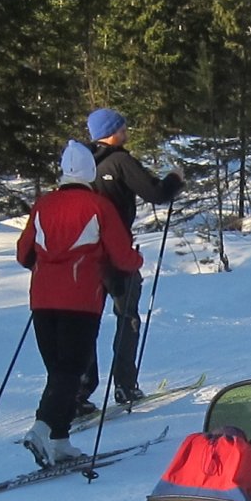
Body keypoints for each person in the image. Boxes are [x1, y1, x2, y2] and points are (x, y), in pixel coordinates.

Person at [15, 141, 143, 466]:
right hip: (80, 300)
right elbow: (123, 256)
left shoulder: (43, 205)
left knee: (58, 370)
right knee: (71, 370)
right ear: (89, 172)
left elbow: (23, 254)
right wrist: (137, 258)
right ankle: (41, 428)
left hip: (42, 300)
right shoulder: (98, 206)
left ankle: (59, 441)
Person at [84, 108, 185, 409]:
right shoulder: (121, 160)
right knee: (126, 316)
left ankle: (79, 392)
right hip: (117, 254)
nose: (127, 131)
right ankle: (125, 385)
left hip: (86, 256)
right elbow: (155, 193)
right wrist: (174, 180)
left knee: (87, 323)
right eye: (123, 126)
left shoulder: (82, 164)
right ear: (114, 130)